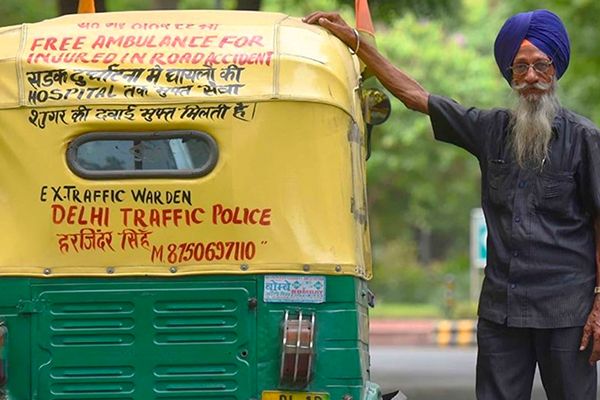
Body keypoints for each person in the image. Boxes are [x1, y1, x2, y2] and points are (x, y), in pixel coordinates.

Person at [304, 8, 600, 400]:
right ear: (510, 75)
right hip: (501, 312)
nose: (531, 77)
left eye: (541, 66)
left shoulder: (584, 139)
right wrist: (357, 45)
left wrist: (599, 303)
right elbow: (415, 96)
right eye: (521, 67)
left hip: (568, 312)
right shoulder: (490, 129)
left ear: (555, 70)